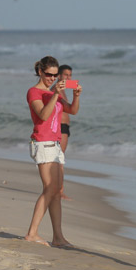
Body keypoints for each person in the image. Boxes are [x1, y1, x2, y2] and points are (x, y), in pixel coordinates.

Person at [25, 56, 82, 247]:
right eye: (49, 74)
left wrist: (76, 95)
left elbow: (72, 111)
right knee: (49, 189)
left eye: (55, 75)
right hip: (43, 143)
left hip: (55, 144)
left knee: (56, 191)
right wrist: (56, 94)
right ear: (40, 72)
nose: (52, 78)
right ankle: (32, 233)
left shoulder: (53, 93)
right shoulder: (34, 92)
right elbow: (43, 114)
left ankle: (58, 237)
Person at [58, 64, 73, 200]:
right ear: (59, 75)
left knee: (60, 158)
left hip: (64, 127)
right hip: (60, 127)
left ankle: (58, 189)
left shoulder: (63, 90)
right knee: (60, 159)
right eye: (66, 75)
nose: (68, 78)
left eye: (70, 75)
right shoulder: (56, 90)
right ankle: (59, 190)